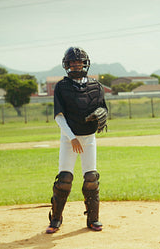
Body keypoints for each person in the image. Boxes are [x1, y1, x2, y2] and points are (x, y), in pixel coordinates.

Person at [46, 46, 108, 234]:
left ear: (85, 63)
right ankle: (56, 219)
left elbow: (103, 109)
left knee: (91, 178)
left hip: (89, 138)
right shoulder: (62, 87)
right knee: (65, 179)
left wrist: (102, 114)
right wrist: (72, 138)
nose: (76, 64)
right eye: (72, 61)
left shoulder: (95, 86)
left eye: (79, 61)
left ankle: (93, 219)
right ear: (67, 64)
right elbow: (59, 116)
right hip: (68, 139)